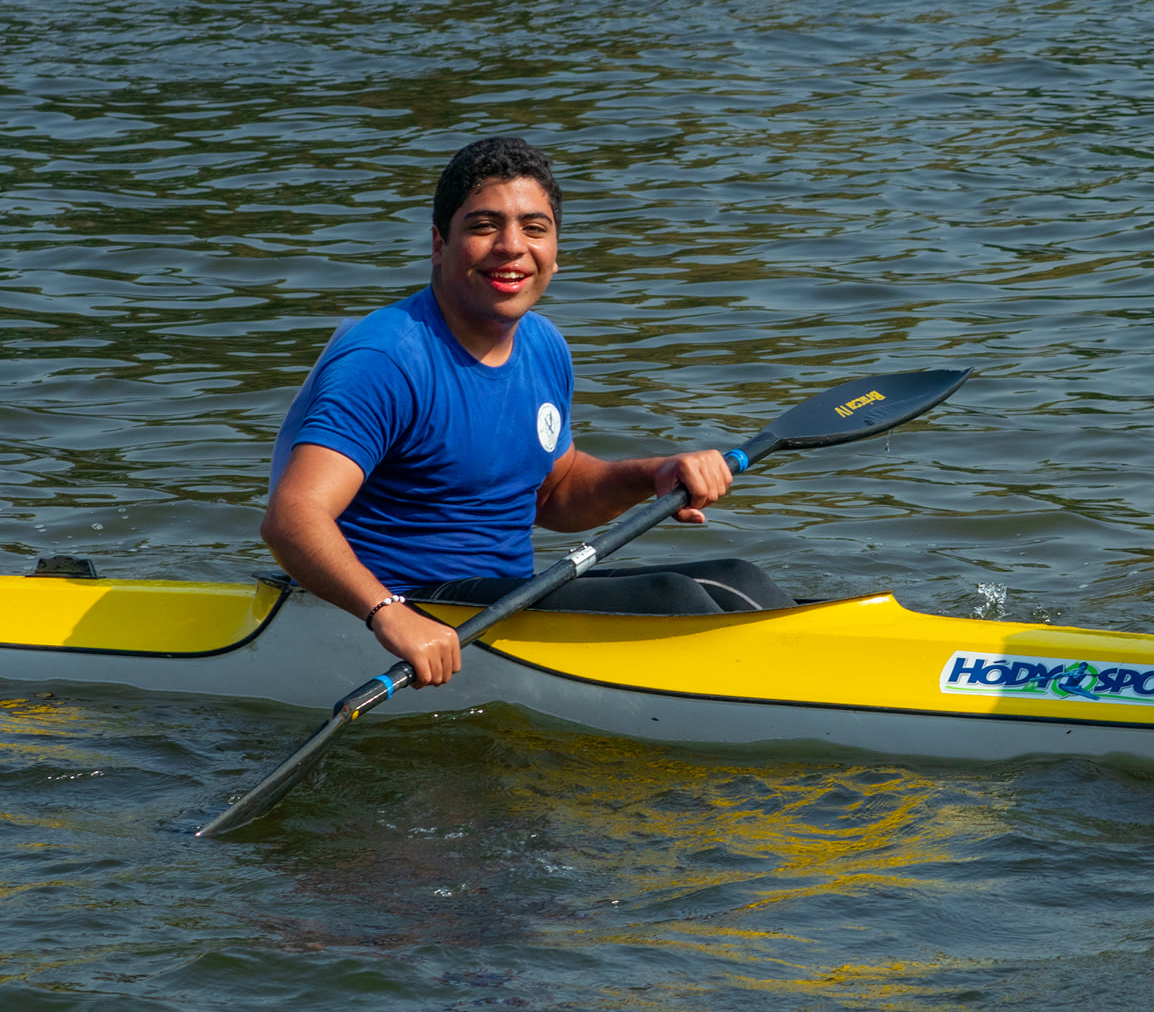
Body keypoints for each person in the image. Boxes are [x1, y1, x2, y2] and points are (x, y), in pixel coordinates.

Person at [263, 137, 794, 688]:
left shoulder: (543, 345)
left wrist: (652, 474)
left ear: (556, 251)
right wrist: (388, 614)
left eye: (534, 228)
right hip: (412, 604)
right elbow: (292, 517)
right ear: (440, 245)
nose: (511, 247)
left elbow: (553, 493)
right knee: (673, 600)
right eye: (484, 226)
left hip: (498, 600)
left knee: (739, 577)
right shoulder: (385, 360)